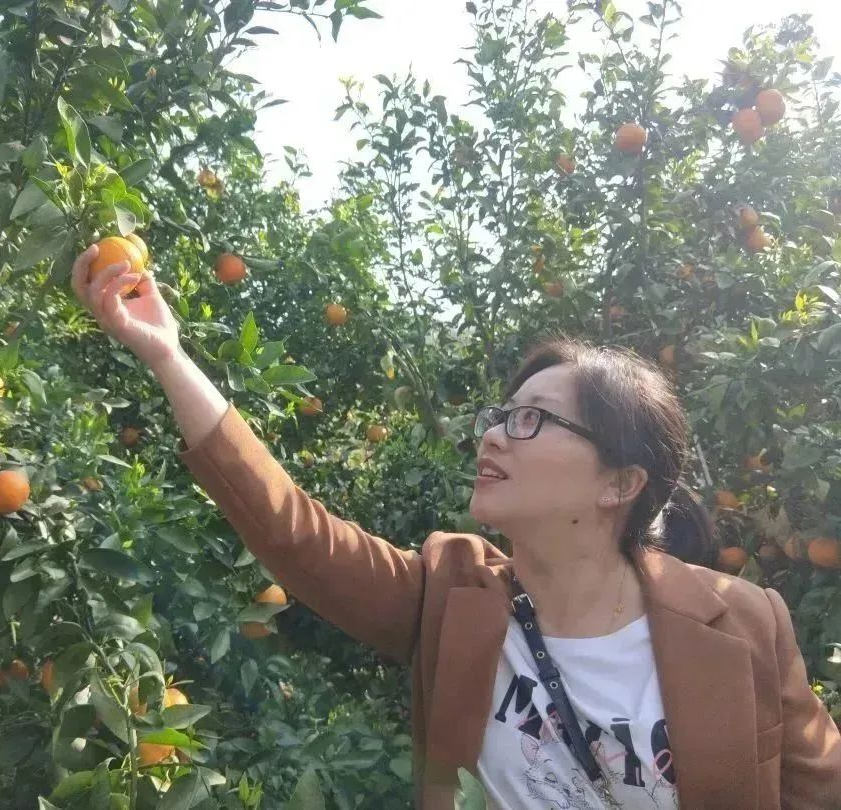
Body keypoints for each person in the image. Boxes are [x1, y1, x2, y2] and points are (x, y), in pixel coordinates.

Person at [72, 248, 841, 809]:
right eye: (500, 415)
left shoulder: (744, 624)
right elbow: (292, 532)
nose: (495, 435)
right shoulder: (452, 596)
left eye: (533, 420)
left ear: (621, 482)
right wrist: (168, 355)